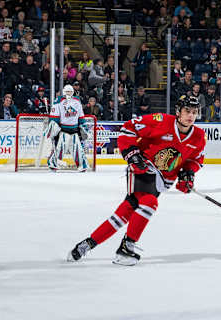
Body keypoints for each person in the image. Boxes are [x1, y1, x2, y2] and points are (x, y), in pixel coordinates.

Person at [67, 96, 206, 266]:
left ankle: (86, 244)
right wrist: (132, 154)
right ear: (178, 112)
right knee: (149, 202)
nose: (190, 116)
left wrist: (188, 174)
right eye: (187, 111)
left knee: (124, 214)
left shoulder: (198, 136)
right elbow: (128, 128)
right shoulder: (160, 121)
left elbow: (196, 160)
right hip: (143, 167)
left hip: (161, 180)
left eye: (194, 112)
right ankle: (126, 248)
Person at [46, 85, 90, 172]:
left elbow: (81, 115)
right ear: (63, 92)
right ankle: (52, 164)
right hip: (63, 130)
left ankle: (82, 165)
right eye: (67, 92)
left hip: (74, 130)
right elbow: (54, 115)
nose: (68, 93)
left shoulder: (77, 101)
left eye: (70, 92)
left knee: (77, 148)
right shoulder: (59, 101)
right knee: (59, 148)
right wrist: (53, 125)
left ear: (73, 92)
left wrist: (83, 126)